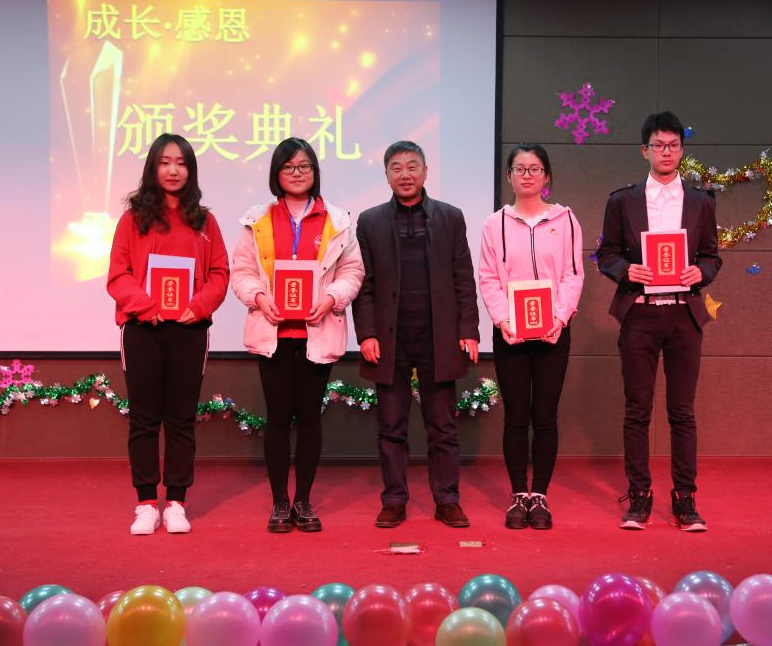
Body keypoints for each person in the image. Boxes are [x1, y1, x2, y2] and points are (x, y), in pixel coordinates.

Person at [595, 111, 722, 532]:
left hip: (684, 315)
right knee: (637, 410)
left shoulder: (701, 201)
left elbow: (712, 256)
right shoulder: (622, 200)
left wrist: (700, 272)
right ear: (644, 150)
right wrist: (625, 270)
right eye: (658, 145)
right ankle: (639, 496)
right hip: (640, 314)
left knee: (682, 411)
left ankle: (685, 499)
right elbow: (607, 254)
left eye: (673, 145)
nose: (666, 152)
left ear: (682, 150)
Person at [230, 137, 364, 533]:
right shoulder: (258, 219)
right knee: (277, 418)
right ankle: (279, 502)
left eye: (304, 166)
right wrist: (258, 297)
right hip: (272, 332)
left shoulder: (337, 220)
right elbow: (242, 271)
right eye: (288, 167)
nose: (297, 173)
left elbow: (352, 270)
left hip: (316, 332)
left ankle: (303, 501)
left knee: (308, 419)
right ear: (277, 173)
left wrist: (332, 298)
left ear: (314, 172)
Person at [352, 140, 480, 528]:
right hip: (389, 339)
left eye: (412, 166)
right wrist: (367, 333)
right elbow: (364, 285)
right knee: (391, 426)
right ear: (386, 175)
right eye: (396, 168)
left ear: (425, 172)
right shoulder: (370, 221)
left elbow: (463, 278)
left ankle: (447, 500)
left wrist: (469, 330)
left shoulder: (450, 217)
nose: (405, 174)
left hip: (437, 337)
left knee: (442, 426)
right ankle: (394, 500)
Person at [107, 133, 230, 535]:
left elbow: (220, 273)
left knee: (181, 419)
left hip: (189, 329)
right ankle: (145, 503)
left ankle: (177, 501)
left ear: (190, 170)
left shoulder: (205, 221)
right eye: (165, 162)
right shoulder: (133, 219)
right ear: (153, 168)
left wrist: (200, 305)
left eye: (181, 163)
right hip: (143, 327)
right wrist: (147, 306)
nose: (173, 170)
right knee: (144, 419)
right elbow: (118, 275)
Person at [478, 144, 583, 530]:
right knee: (516, 416)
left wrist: (559, 317)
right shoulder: (495, 224)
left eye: (534, 168)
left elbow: (573, 274)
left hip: (554, 331)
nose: (527, 175)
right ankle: (518, 494)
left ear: (546, 176)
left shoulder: (565, 219)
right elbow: (488, 278)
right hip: (511, 333)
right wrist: (503, 319)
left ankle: (540, 495)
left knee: (546, 416)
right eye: (519, 169)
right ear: (509, 176)